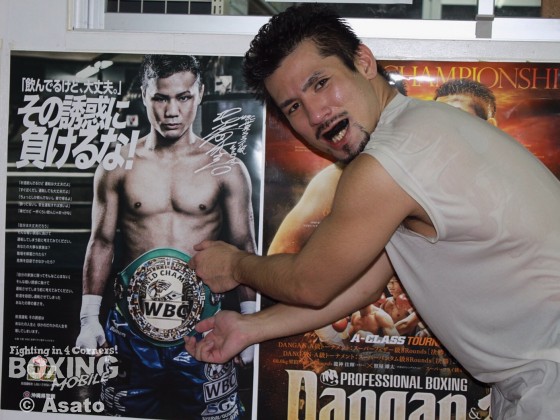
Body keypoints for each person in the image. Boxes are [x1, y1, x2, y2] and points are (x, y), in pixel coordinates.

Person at [185, 5, 560, 420]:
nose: (316, 114)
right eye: (293, 107)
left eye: (321, 83)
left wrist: (235, 265)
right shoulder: (418, 132)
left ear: (363, 62)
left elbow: (309, 283)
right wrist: (249, 328)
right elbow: (361, 284)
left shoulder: (391, 158)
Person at [76, 54, 256, 419]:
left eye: (183, 97)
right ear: (144, 94)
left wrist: (251, 319)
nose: (172, 111)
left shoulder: (226, 168)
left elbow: (244, 248)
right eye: (160, 97)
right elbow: (102, 242)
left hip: (204, 329)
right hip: (131, 332)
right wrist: (88, 318)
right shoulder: (117, 165)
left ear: (199, 94)